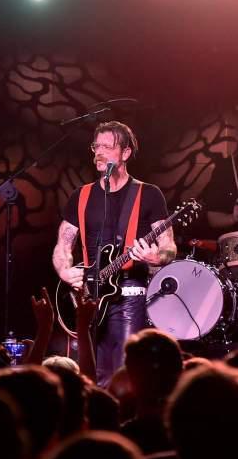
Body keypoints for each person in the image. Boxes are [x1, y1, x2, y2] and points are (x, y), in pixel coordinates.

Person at [52, 121, 176, 387]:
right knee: (89, 377)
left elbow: (168, 246)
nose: (99, 152)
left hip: (129, 294)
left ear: (126, 153)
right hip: (88, 297)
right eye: (96, 146)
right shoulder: (81, 195)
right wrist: (65, 271)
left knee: (123, 375)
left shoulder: (148, 194)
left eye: (107, 147)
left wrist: (156, 257)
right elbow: (63, 244)